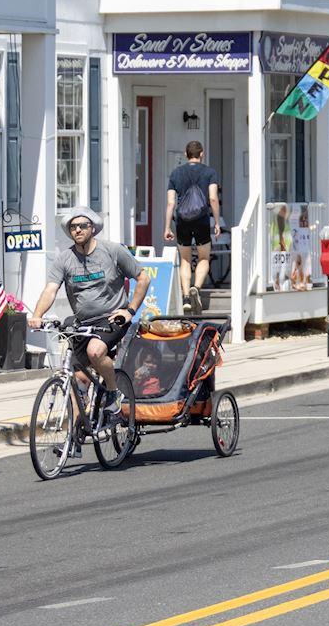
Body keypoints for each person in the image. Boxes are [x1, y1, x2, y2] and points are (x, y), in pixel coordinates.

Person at [29, 208, 151, 424]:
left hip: (112, 318)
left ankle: (113, 393)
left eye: (83, 226)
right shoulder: (64, 259)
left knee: (95, 352)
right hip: (82, 323)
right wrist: (37, 314)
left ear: (92, 228)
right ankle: (75, 435)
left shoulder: (113, 251)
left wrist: (129, 311)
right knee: (78, 380)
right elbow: (50, 290)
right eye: (73, 227)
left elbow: (143, 278)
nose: (78, 230)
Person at [165, 140, 223, 313]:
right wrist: (217, 222)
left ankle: (185, 297)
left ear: (186, 154)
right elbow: (213, 198)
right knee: (204, 257)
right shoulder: (210, 173)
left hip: (182, 220)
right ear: (202, 154)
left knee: (185, 260)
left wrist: (167, 227)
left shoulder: (176, 173)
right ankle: (196, 288)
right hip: (201, 220)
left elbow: (170, 203)